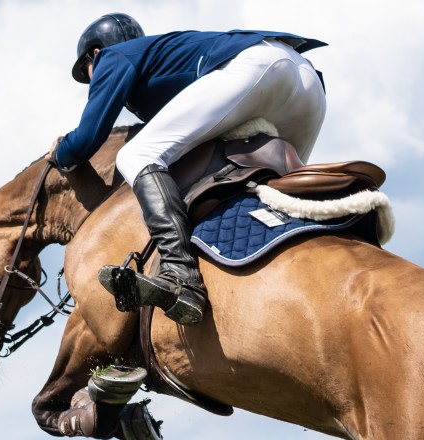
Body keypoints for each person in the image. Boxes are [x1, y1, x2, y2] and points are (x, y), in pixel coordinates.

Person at [47, 13, 327, 325]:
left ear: (95, 53)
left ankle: (181, 275)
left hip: (257, 66)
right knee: (281, 196)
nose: (93, 80)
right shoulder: (160, 60)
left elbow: (87, 138)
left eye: (89, 74)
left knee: (137, 155)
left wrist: (61, 152)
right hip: (307, 84)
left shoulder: (113, 57)